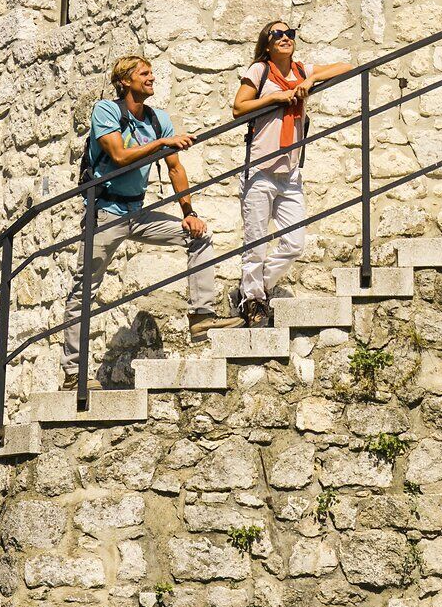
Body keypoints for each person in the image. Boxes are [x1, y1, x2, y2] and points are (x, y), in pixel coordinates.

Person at [62, 54, 229, 379]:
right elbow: (119, 155)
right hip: (106, 214)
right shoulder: (107, 111)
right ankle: (72, 373)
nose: (151, 78)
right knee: (85, 289)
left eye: (152, 72)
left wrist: (189, 213)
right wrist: (162, 142)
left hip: (137, 212)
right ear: (124, 81)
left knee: (200, 236)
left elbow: (175, 167)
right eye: (144, 73)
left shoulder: (157, 119)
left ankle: (201, 315)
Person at [230, 21, 352, 328]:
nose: (286, 38)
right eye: (278, 34)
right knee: (256, 243)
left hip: (290, 171)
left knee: (294, 243)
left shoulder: (300, 70)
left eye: (290, 34)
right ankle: (254, 301)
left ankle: (251, 290)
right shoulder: (260, 71)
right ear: (267, 44)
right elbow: (238, 108)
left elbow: (345, 66)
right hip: (260, 167)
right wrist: (273, 98)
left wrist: (311, 80)